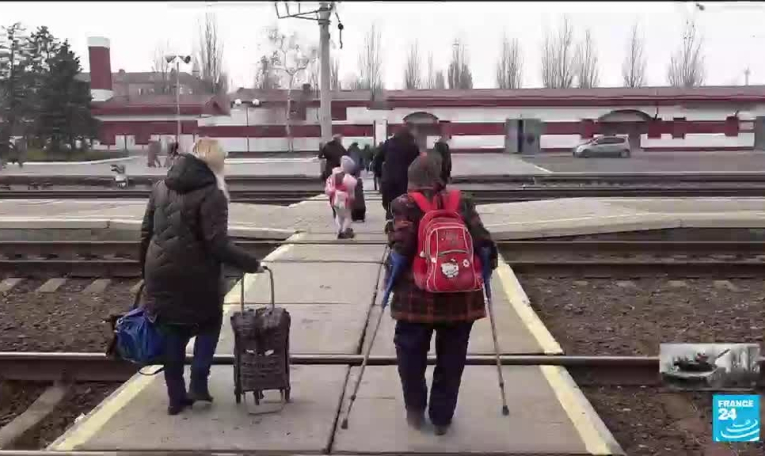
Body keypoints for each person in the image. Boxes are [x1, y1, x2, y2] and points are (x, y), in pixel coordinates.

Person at [140, 138, 263, 415]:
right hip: (198, 276)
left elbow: (146, 233)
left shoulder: (160, 187)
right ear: (216, 163)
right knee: (208, 323)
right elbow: (217, 244)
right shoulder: (212, 194)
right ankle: (198, 383)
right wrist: (251, 264)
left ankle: (175, 398)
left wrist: (145, 272)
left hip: (159, 273)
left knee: (171, 330)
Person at [386, 155, 498, 436]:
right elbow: (485, 245)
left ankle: (415, 411)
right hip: (461, 299)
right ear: (439, 177)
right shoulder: (463, 201)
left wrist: (390, 278)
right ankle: (442, 418)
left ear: (412, 180)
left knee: (410, 357)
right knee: (452, 360)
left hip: (416, 300)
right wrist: (485, 275)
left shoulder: (404, 204)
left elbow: (401, 249)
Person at [374, 125, 421, 222]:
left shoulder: (388, 144)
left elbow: (377, 160)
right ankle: (402, 222)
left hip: (388, 179)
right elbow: (417, 164)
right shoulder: (412, 146)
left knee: (389, 203)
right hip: (404, 180)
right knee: (403, 204)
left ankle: (391, 218)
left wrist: (380, 174)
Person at [324, 155, 358, 239]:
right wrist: (352, 199)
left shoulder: (333, 175)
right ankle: (343, 231)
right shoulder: (348, 178)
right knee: (347, 217)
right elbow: (351, 192)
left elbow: (328, 188)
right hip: (344, 200)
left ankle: (339, 228)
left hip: (334, 199)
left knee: (338, 216)